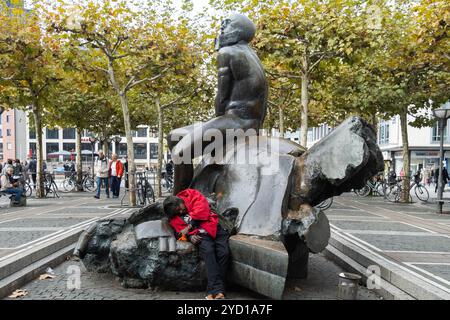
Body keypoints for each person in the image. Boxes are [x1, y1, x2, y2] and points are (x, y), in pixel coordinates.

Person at [167, 14, 268, 194]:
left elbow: (222, 98)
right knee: (174, 136)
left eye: (227, 25)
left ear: (239, 30)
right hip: (247, 122)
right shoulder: (250, 54)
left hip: (237, 121)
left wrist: (213, 128)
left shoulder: (227, 52)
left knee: (180, 153)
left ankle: (179, 203)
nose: (222, 28)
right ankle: (190, 190)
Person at [163, 189, 229, 300]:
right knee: (209, 252)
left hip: (215, 228)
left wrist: (189, 226)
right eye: (177, 212)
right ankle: (218, 291)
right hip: (200, 235)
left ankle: (214, 289)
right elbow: (179, 233)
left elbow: (203, 210)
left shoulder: (191, 195)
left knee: (224, 253)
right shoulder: (174, 217)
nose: (180, 212)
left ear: (181, 202)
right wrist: (189, 237)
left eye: (180, 209)